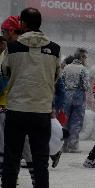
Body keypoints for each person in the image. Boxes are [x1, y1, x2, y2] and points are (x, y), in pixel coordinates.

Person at [1, 8, 60, 188]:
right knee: (41, 162)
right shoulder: (55, 49)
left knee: (12, 160)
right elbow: (55, 76)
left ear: (22, 24)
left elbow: (5, 73)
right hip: (41, 112)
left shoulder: (12, 48)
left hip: (16, 110)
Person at [0, 15, 36, 185]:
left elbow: (5, 78)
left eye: (4, 32)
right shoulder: (20, 49)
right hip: (23, 105)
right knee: (21, 145)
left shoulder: (14, 51)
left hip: (13, 106)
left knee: (13, 146)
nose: (3, 36)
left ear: (12, 31)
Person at [62, 48, 89, 153]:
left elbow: (62, 82)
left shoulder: (66, 67)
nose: (85, 60)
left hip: (66, 96)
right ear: (81, 57)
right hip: (78, 96)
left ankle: (63, 145)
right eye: (85, 57)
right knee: (76, 121)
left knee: (65, 120)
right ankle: (72, 146)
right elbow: (86, 86)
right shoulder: (83, 69)